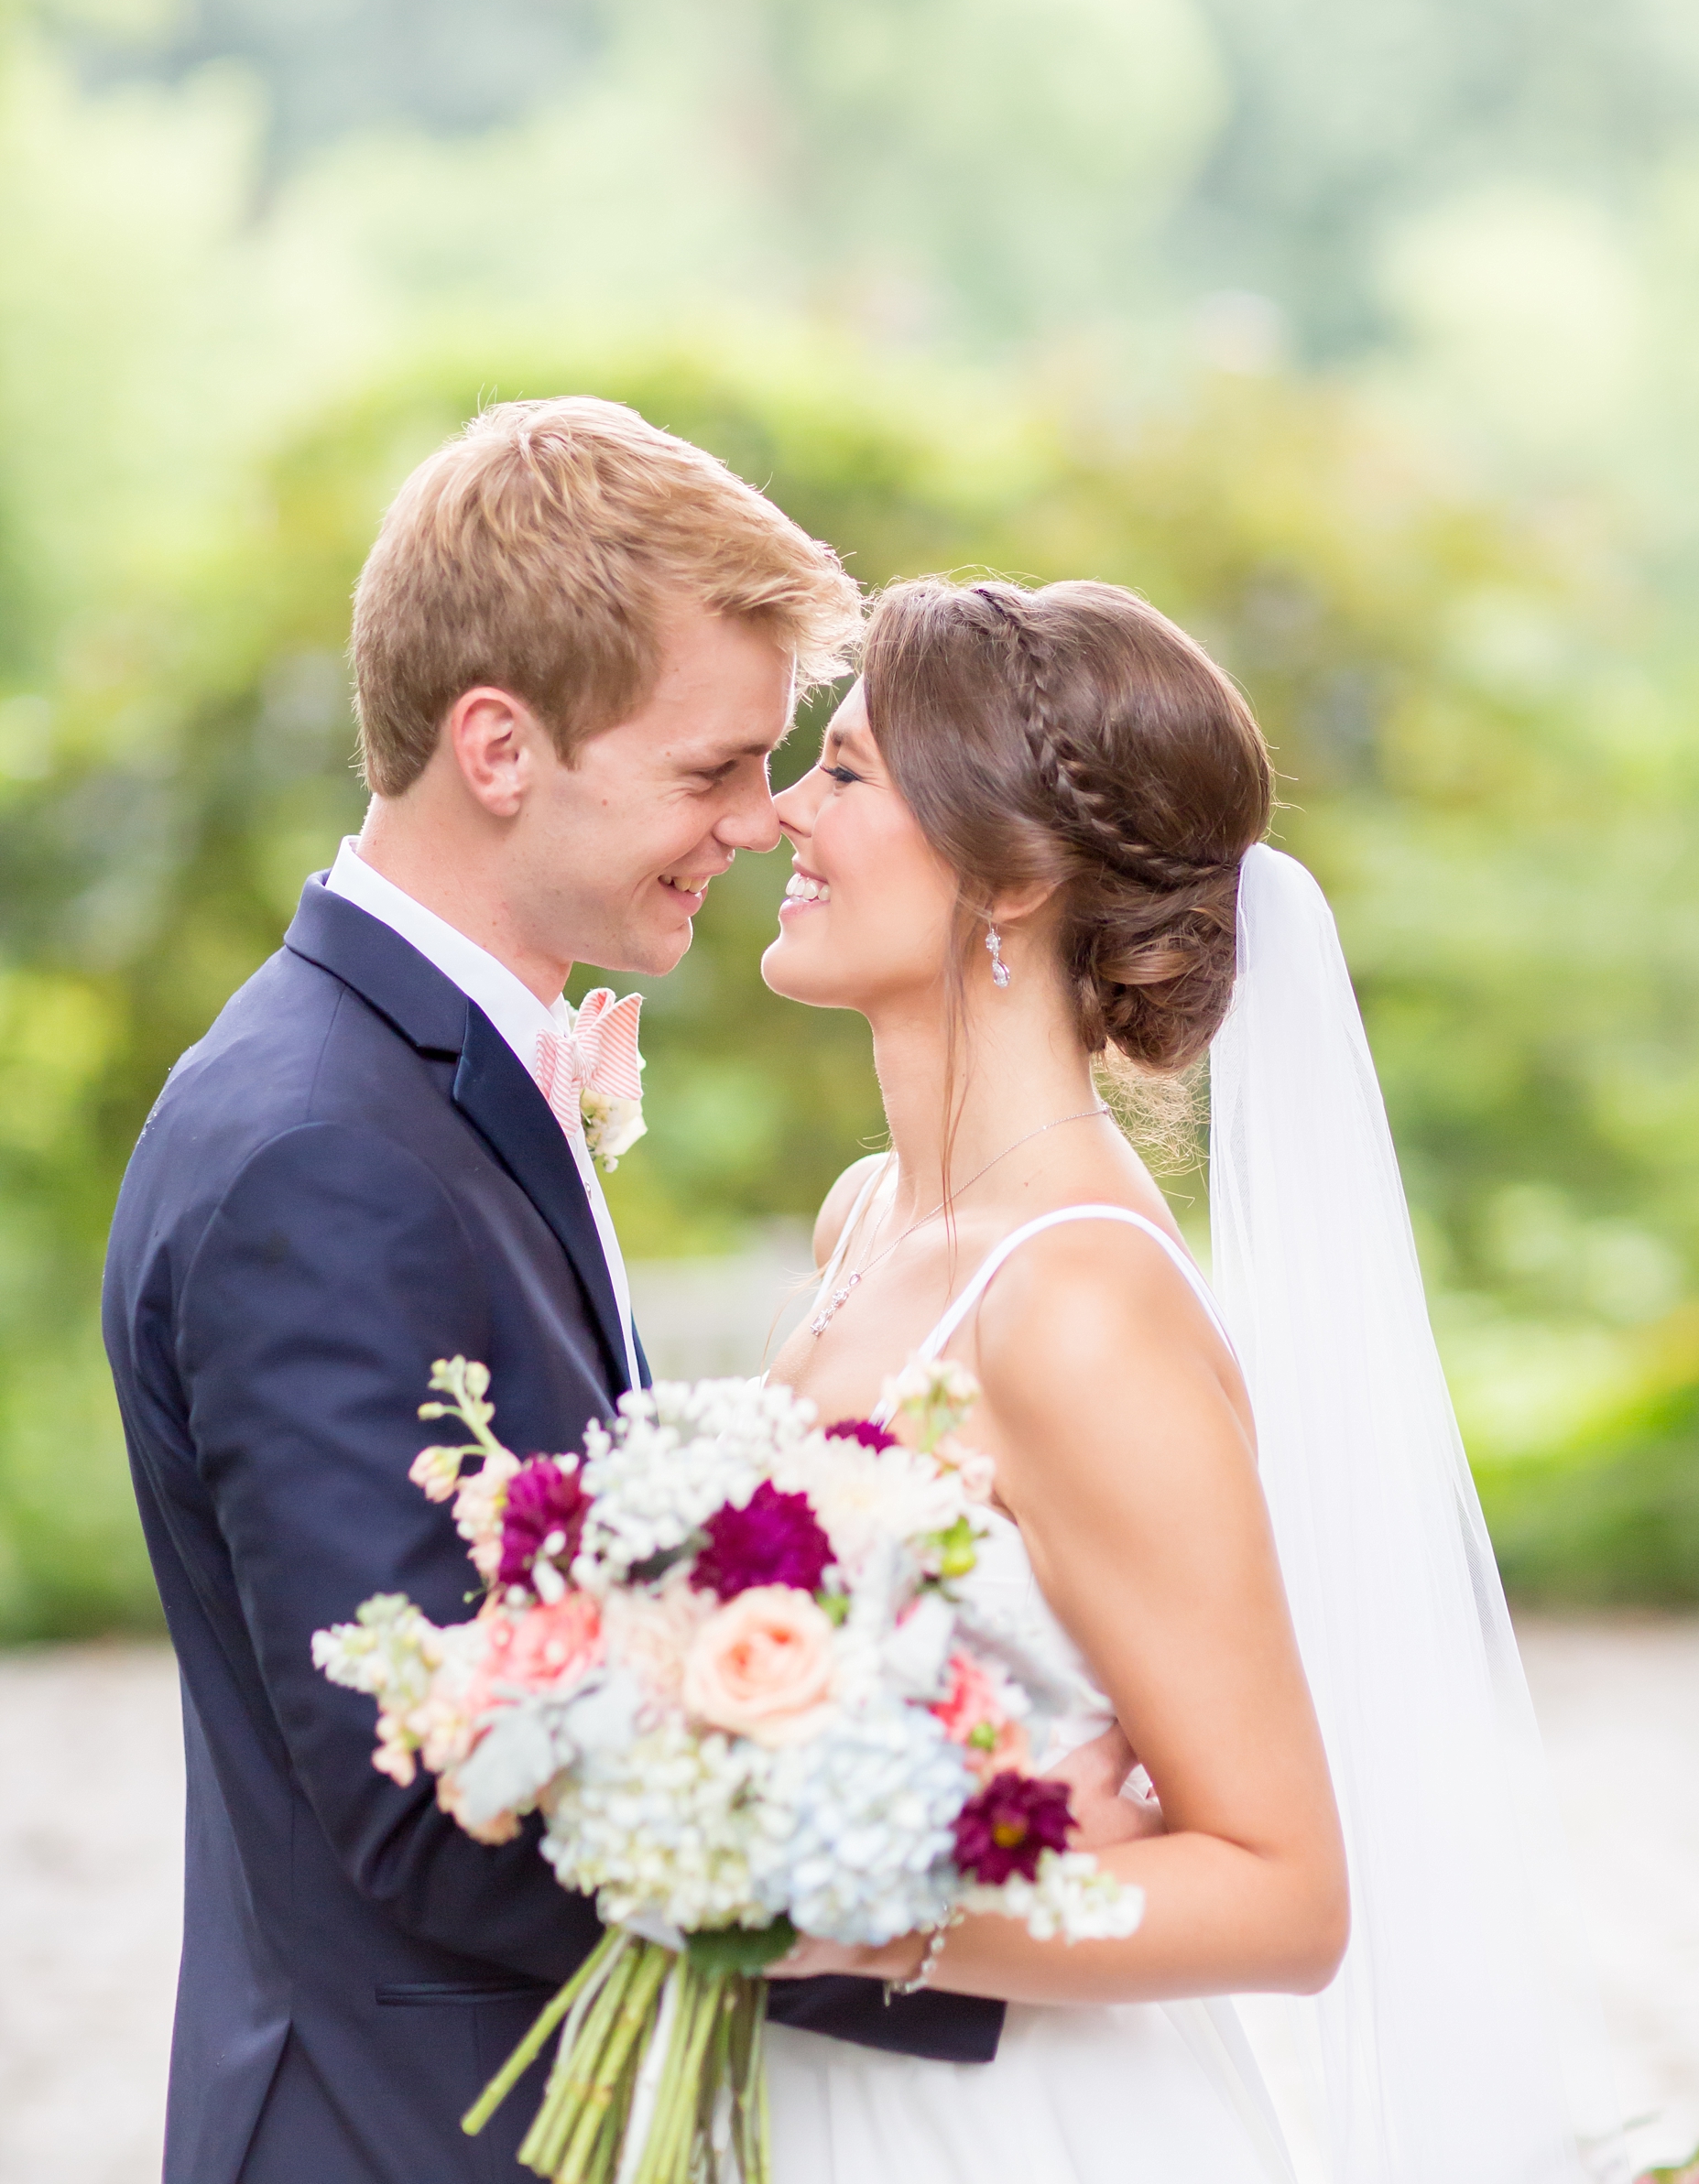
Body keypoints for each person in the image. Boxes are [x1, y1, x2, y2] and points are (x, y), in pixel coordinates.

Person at [102, 397, 866, 2184]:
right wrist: (951, 1910)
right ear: (499, 748)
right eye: (708, 771)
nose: (755, 823)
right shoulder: (322, 1153)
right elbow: (426, 1807)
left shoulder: (399, 1077)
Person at [757, 575, 1600, 2184]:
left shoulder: (1075, 1300)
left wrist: (856, 1905)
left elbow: (1286, 1893)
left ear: (1008, 875)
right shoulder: (869, 1213)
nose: (783, 809)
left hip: (996, 2127)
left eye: (848, 770)